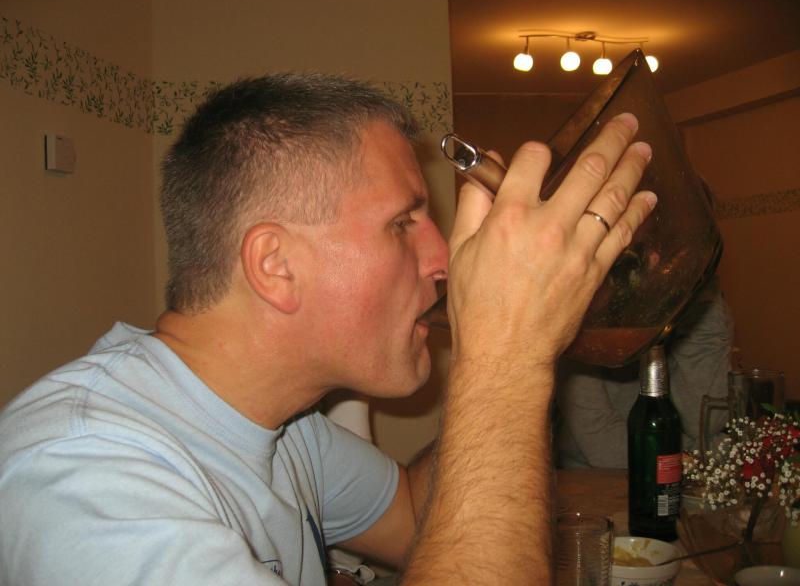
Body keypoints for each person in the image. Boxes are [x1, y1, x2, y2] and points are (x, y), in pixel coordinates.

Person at [0, 73, 655, 585]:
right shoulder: (83, 481)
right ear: (275, 265)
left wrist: (525, 331)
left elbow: (416, 518)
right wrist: (507, 361)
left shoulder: (285, 428)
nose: (444, 262)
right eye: (402, 223)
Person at [554, 275, 734, 470]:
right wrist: (692, 456)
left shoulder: (690, 297)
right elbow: (601, 444)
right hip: (594, 479)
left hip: (683, 474)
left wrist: (699, 297)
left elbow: (706, 423)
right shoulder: (579, 298)